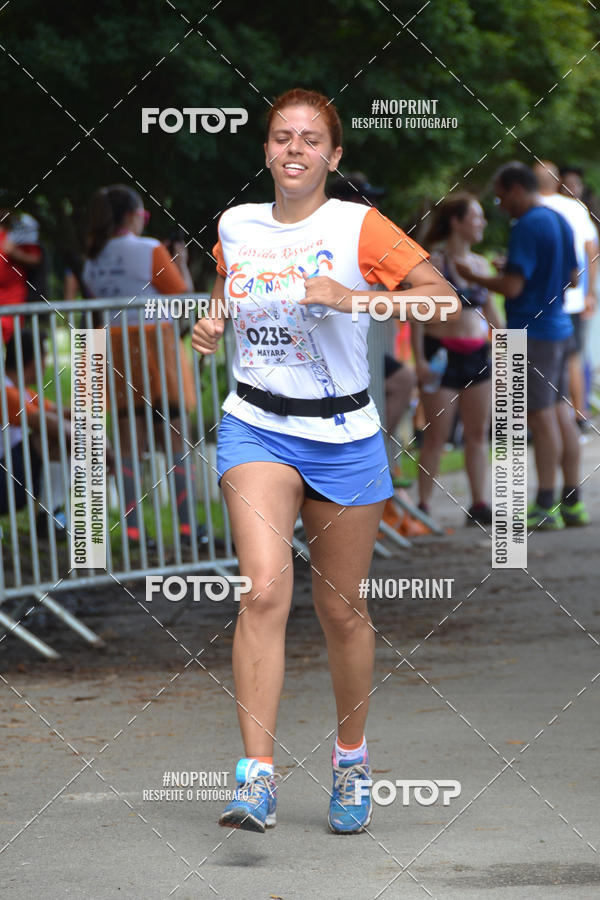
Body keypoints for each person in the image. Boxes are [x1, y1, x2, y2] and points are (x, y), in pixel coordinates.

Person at [191, 87, 459, 834]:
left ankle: (350, 760)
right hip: (257, 426)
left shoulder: (357, 225)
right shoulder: (236, 225)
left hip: (344, 436)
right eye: (283, 137)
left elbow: (444, 301)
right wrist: (210, 323)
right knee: (262, 593)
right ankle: (256, 778)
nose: (295, 149)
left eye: (311, 139)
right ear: (266, 150)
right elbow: (229, 295)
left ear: (333, 156)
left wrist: (353, 298)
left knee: (342, 609)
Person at [456, 161, 589, 529]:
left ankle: (545, 505)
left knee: (540, 417)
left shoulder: (527, 225)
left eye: (501, 198)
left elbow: (513, 289)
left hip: (531, 331)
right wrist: (523, 274)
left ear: (516, 189)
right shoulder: (558, 218)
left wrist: (476, 276)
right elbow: (573, 278)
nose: (500, 206)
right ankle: (572, 503)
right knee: (561, 413)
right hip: (560, 327)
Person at [83, 185, 201, 548]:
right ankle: (189, 529)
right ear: (132, 215)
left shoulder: (92, 259)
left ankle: (135, 532)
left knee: (128, 444)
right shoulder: (150, 249)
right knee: (176, 439)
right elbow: (183, 297)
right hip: (156, 348)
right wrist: (180, 262)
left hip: (115, 349)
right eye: (144, 215)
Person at [326, 171, 420, 533]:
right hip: (323, 348)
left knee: (401, 379)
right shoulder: (327, 233)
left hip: (357, 345)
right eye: (367, 199)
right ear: (346, 202)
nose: (374, 206)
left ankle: (376, 451)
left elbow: (409, 284)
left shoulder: (368, 235)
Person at [413, 193, 503, 525]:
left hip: (477, 355)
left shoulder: (480, 265)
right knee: (437, 435)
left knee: (477, 433)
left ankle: (479, 504)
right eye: (476, 217)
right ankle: (423, 506)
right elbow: (417, 316)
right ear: (457, 221)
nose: (482, 223)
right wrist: (420, 361)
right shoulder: (434, 264)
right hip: (440, 355)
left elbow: (494, 317)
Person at [533, 161, 598, 432]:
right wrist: (589, 293)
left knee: (542, 358)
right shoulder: (575, 208)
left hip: (540, 301)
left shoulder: (530, 206)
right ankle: (577, 415)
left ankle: (548, 417)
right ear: (558, 180)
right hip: (571, 299)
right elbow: (592, 252)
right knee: (572, 356)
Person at [0, 331, 71, 534]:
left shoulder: (20, 391)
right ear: (33, 362)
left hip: (11, 476)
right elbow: (51, 424)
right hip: (5, 483)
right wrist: (101, 446)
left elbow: (62, 413)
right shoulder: (5, 392)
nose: (46, 364)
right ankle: (48, 518)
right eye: (45, 357)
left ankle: (49, 517)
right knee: (49, 437)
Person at [0, 201, 42, 343]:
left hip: (12, 297)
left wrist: (15, 253)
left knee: (12, 342)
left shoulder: (17, 234)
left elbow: (36, 258)